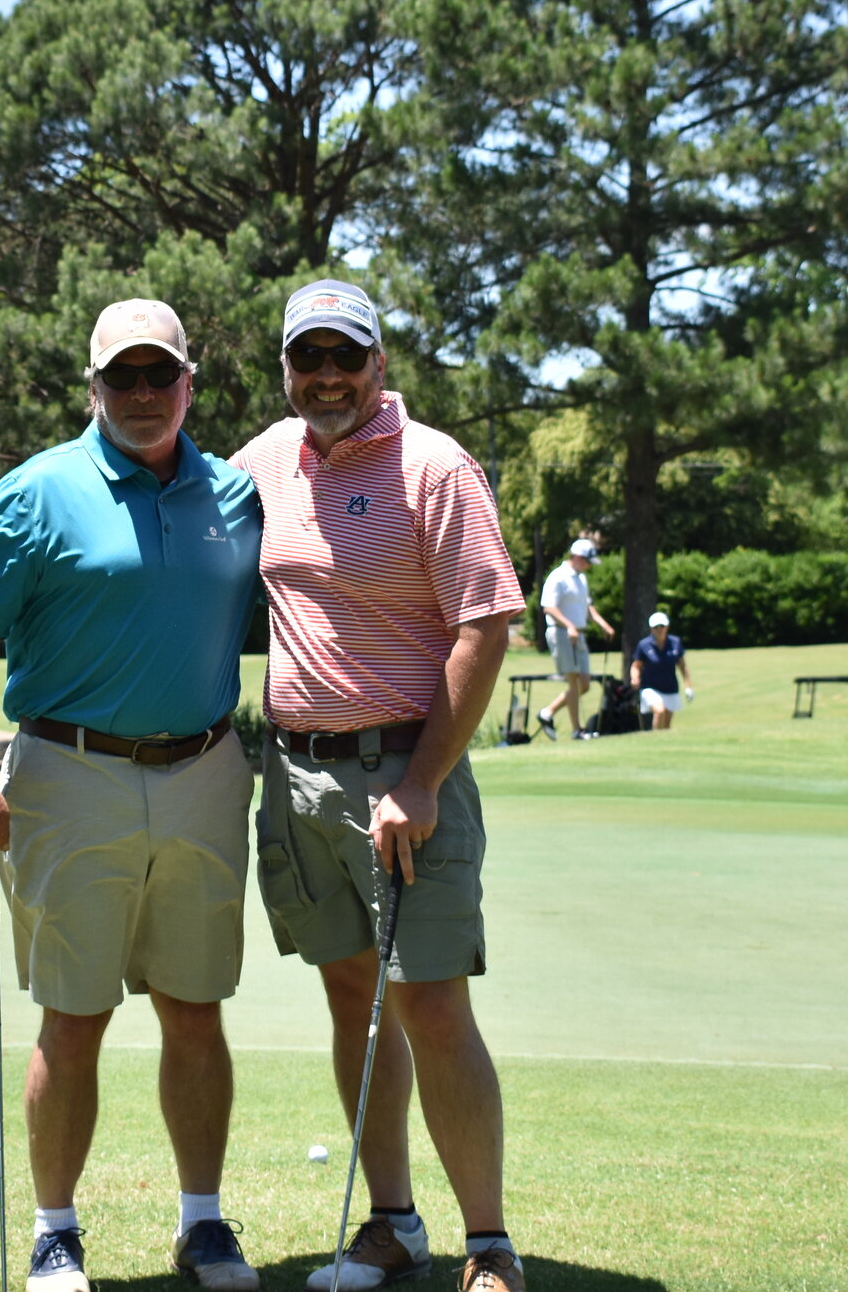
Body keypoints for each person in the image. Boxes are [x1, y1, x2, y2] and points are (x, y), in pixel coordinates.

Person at [0, 298, 266, 1292]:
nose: (141, 392)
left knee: (196, 1007)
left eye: (158, 373)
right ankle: (55, 1233)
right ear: (93, 387)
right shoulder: (37, 491)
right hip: (69, 773)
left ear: (188, 382)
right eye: (121, 375)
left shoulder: (236, 493)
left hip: (206, 770)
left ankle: (203, 1223)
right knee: (73, 1015)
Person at [231, 278, 531, 1292]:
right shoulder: (263, 462)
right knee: (352, 995)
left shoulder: (434, 466)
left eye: (345, 356)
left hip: (404, 773)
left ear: (378, 362)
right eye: (307, 356)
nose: (327, 376)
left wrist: (424, 778)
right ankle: (394, 1223)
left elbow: (485, 626)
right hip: (297, 777)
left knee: (431, 1003)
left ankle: (489, 1246)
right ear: (286, 367)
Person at [535, 538, 605, 739]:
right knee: (574, 683)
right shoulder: (558, 577)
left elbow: (587, 607)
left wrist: (603, 624)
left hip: (578, 635)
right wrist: (569, 626)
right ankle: (577, 730)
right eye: (588, 561)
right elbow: (549, 607)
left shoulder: (581, 579)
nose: (590, 565)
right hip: (561, 633)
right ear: (578, 557)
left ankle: (547, 712)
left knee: (585, 683)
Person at [626, 609, 696, 730]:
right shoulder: (644, 645)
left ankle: (662, 740)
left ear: (667, 627)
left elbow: (683, 667)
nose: (659, 629)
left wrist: (688, 686)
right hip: (650, 687)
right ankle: (655, 738)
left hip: (670, 688)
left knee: (666, 724)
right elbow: (636, 666)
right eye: (656, 627)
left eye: (662, 626)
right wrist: (635, 678)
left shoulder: (675, 643)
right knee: (660, 711)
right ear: (651, 629)